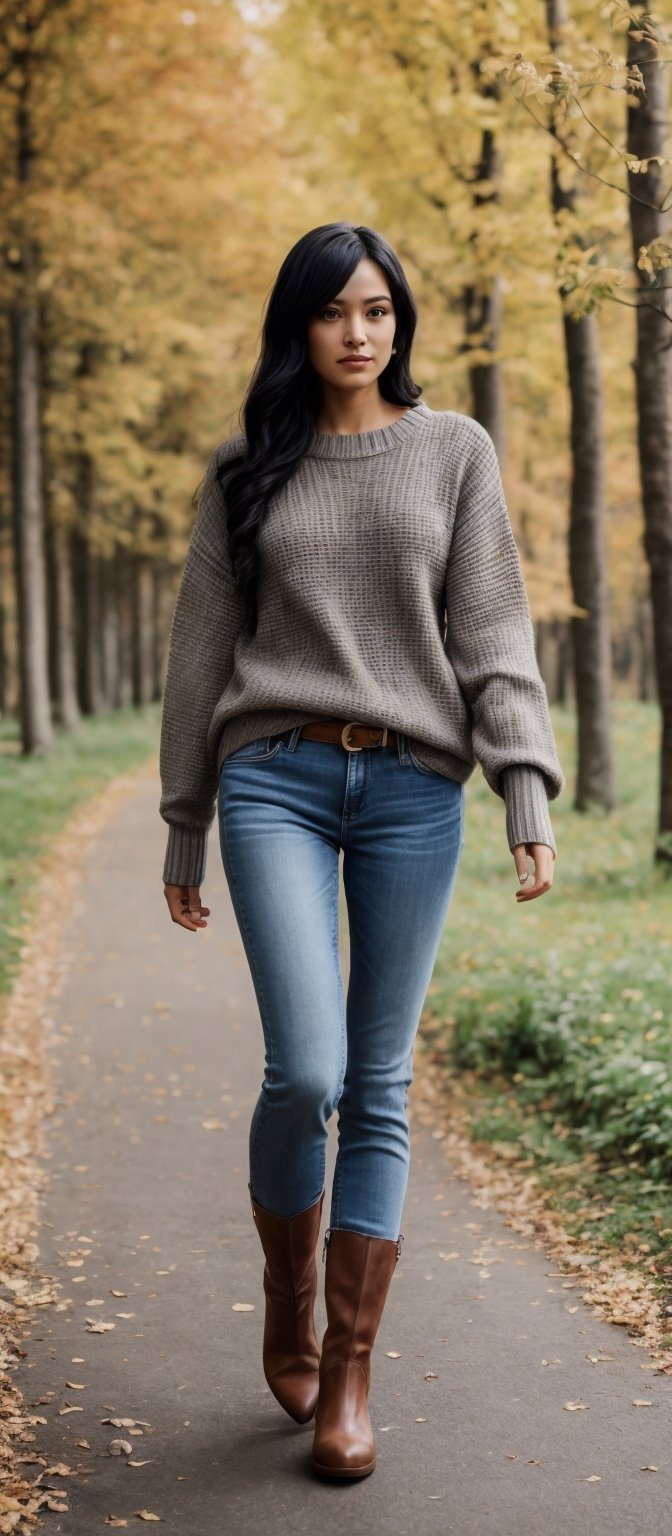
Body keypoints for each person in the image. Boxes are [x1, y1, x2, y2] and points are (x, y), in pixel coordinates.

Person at [158, 221, 564, 1481]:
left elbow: (491, 627)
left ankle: (347, 1371)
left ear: (402, 322)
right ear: (300, 324)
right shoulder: (248, 468)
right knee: (308, 1071)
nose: (360, 331)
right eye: (336, 311)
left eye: (380, 309)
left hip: (411, 787)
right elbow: (199, 650)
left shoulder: (453, 451)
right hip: (272, 775)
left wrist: (525, 786)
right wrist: (185, 815)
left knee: (380, 1083)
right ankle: (286, 1293)